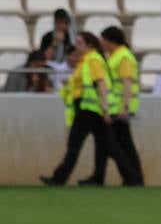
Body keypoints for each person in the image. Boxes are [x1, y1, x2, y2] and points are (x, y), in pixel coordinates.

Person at [40, 32, 135, 188]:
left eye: (80, 42)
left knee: (74, 145)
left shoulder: (92, 60)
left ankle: (59, 178)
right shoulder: (87, 61)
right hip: (92, 110)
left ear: (89, 44)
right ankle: (131, 178)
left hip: (88, 110)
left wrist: (105, 110)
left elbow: (101, 85)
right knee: (110, 146)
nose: (77, 46)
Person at [99, 26, 144, 187]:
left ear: (111, 41)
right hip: (116, 107)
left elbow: (127, 82)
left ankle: (134, 178)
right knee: (123, 145)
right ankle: (133, 178)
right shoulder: (116, 56)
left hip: (119, 108)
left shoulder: (123, 57)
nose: (102, 44)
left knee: (122, 145)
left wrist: (125, 107)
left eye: (103, 40)